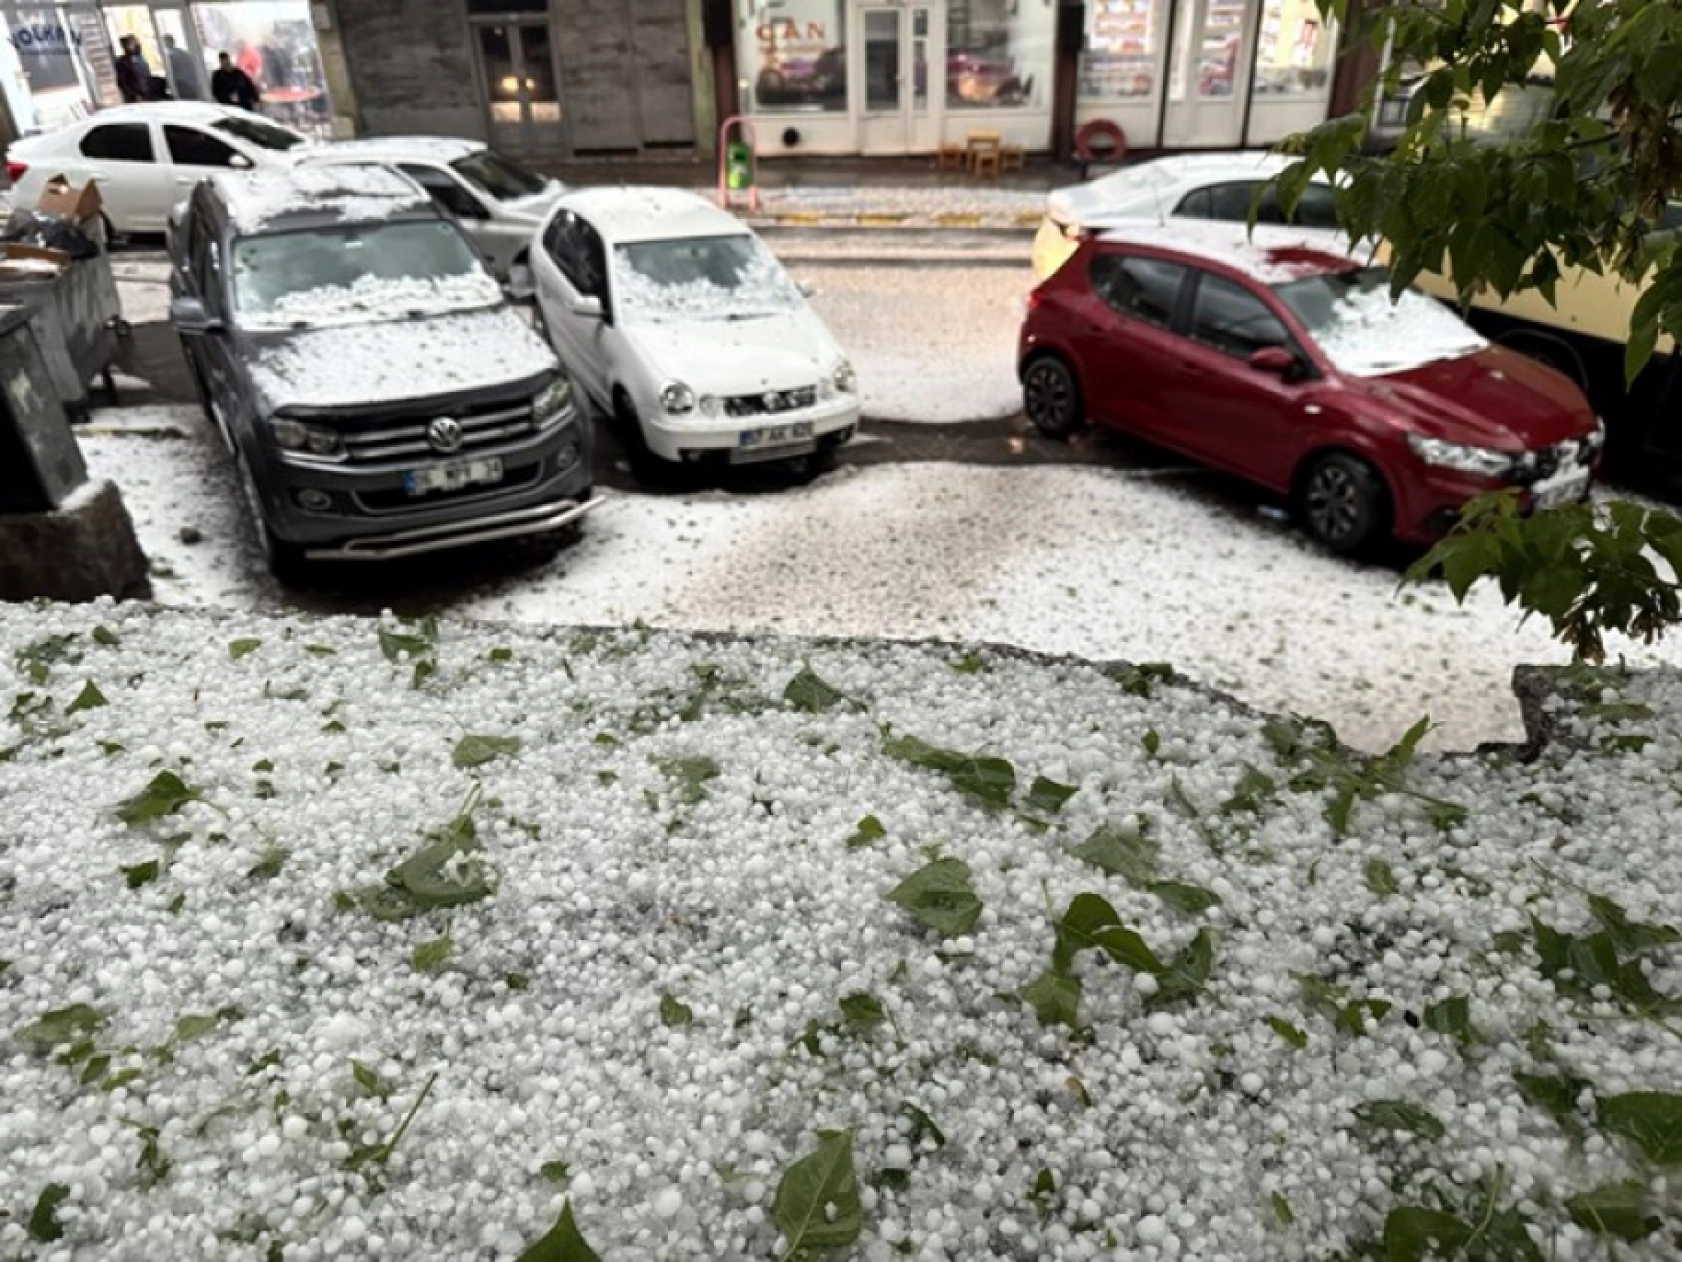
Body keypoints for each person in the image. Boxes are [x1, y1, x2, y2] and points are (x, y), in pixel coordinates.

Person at [164, 34, 202, 100]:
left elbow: (170, 75)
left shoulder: (170, 56)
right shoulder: (184, 53)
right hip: (193, 86)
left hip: (183, 86)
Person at [114, 34, 150, 104]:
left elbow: (146, 74)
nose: (137, 45)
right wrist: (133, 95)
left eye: (136, 43)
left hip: (147, 92)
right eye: (132, 43)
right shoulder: (122, 62)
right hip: (135, 96)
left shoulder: (140, 58)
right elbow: (122, 82)